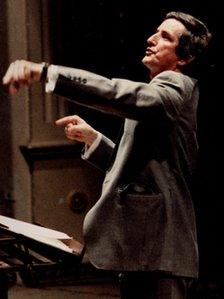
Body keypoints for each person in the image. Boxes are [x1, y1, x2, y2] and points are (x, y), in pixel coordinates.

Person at [2, 11, 211, 299]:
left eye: (165, 37)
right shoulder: (157, 97)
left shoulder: (175, 90)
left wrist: (47, 72)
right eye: (155, 32)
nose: (151, 39)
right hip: (144, 252)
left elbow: (115, 92)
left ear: (184, 59)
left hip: (162, 252)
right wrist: (95, 140)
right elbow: (139, 173)